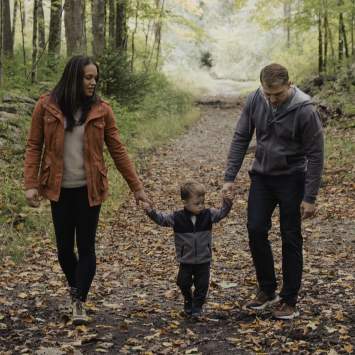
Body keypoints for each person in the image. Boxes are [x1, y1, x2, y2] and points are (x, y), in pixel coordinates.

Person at [24, 55, 150, 325]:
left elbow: (118, 150)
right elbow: (34, 146)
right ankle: (76, 289)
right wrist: (31, 184)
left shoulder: (101, 110)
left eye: (95, 78)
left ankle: (79, 300)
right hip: (58, 189)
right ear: (74, 77)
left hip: (90, 188)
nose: (93, 82)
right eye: (87, 77)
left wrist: (136, 188)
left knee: (87, 246)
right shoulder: (46, 106)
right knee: (63, 250)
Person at [223, 63, 324, 320]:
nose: (272, 99)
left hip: (292, 179)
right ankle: (267, 290)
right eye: (267, 93)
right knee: (255, 229)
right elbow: (241, 137)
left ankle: (289, 299)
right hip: (262, 177)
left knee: (290, 236)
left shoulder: (305, 110)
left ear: (289, 86)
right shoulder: (256, 99)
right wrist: (229, 177)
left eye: (277, 94)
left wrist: (310, 197)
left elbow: (316, 155)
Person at [142, 181, 233, 317]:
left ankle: (197, 307)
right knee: (183, 282)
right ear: (185, 202)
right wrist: (150, 211)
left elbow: (221, 214)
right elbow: (162, 219)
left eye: (202, 202)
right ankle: (188, 299)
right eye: (197, 203)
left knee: (202, 286)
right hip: (186, 260)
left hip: (203, 259)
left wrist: (227, 202)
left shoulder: (208, 214)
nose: (201, 206)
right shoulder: (177, 217)